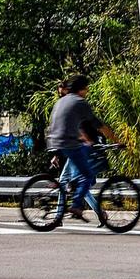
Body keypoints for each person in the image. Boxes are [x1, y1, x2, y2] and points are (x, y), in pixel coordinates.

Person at [46, 75, 114, 226]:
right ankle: (96, 213)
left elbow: (80, 127)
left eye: (61, 91)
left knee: (72, 181)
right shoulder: (74, 103)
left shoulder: (66, 103)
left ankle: (60, 216)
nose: (60, 94)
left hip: (77, 145)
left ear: (66, 89)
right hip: (74, 145)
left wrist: (58, 151)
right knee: (81, 182)